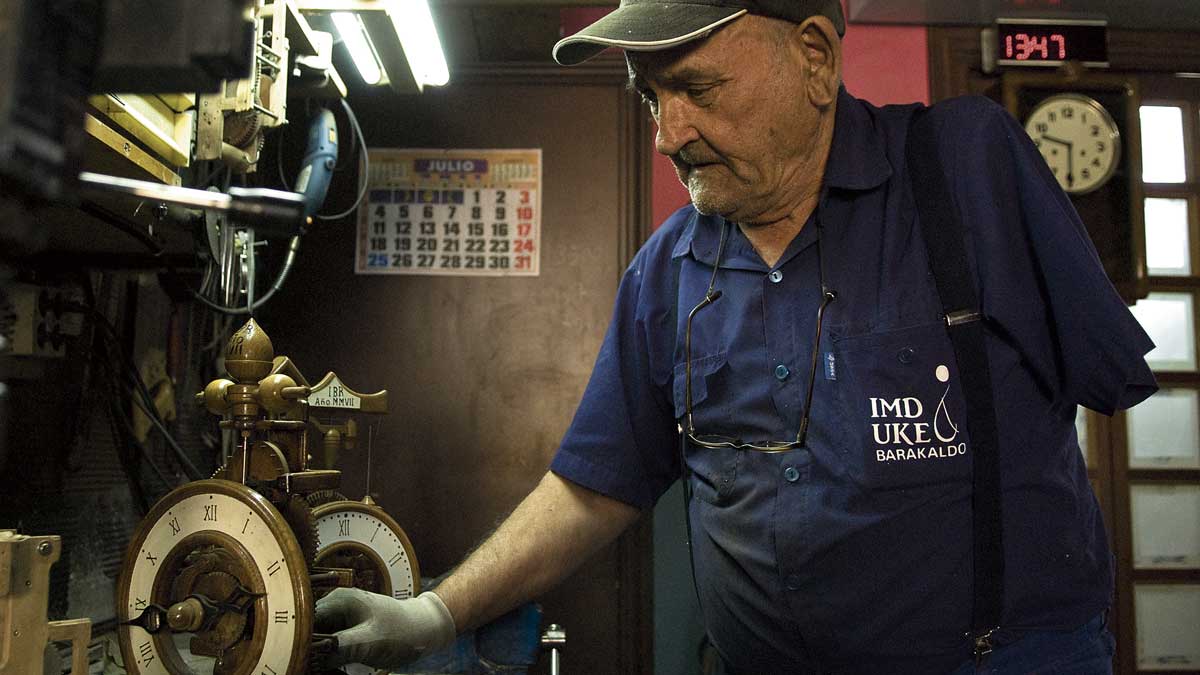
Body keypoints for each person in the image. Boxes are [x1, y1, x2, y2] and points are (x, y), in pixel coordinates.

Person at [314, 1, 1158, 672]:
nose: (667, 133)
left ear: (816, 60)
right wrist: (438, 611)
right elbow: (593, 486)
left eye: (699, 89)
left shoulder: (968, 169)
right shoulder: (664, 273)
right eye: (651, 97)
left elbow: (1102, 384)